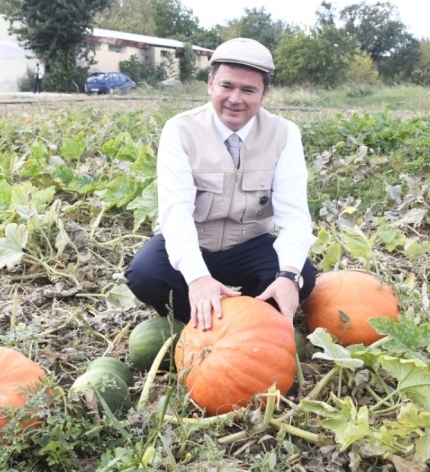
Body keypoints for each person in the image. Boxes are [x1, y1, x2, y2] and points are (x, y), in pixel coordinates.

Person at [125, 37, 317, 331]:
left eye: (248, 90)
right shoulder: (180, 129)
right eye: (227, 86)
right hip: (197, 241)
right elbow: (176, 213)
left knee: (303, 274)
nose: (235, 99)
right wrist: (198, 277)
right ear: (210, 84)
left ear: (265, 93)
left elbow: (295, 214)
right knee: (146, 274)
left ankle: (248, 319)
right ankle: (205, 317)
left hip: (250, 243)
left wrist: (288, 277)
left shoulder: (284, 134)